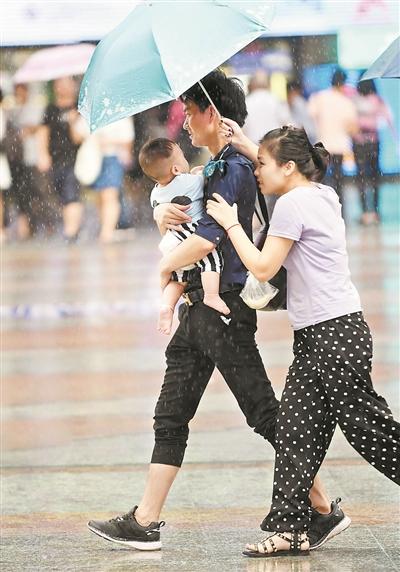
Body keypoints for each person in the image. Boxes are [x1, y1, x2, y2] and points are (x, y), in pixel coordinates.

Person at [87, 70, 347, 553]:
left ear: (212, 113)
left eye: (190, 112)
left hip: (221, 307)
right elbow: (187, 216)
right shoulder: (214, 166)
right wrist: (163, 215)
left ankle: (323, 509)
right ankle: (146, 520)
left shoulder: (232, 168)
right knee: (172, 413)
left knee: (263, 412)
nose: (184, 122)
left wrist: (161, 267)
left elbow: (210, 236)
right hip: (198, 306)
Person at [206, 122, 400, 558]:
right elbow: (286, 168)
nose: (256, 170)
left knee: (369, 429)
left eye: (261, 164)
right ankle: (291, 528)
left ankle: (293, 525)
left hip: (335, 334)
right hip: (323, 333)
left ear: (288, 167)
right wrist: (245, 143)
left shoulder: (293, 204)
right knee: (295, 431)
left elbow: (261, 266)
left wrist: (231, 223)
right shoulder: (320, 193)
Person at [139, 137, 229, 334]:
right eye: (181, 156)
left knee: (179, 280)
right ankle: (212, 295)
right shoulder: (188, 182)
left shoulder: (155, 193)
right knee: (211, 260)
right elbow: (207, 179)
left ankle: (167, 306)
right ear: (176, 169)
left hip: (171, 239)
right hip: (190, 234)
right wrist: (200, 172)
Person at [37, 76, 82, 242]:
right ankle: (70, 228)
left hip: (75, 158)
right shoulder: (51, 108)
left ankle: (71, 232)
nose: (62, 87)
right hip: (55, 158)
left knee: (71, 193)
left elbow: (80, 137)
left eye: (66, 83)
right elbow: (43, 132)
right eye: (59, 84)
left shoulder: (78, 107)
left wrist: (72, 122)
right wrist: (42, 154)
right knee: (60, 193)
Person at [308, 68, 358, 206]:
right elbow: (353, 129)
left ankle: (322, 208)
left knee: (321, 181)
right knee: (338, 181)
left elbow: (310, 117)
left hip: (322, 145)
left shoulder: (319, 97)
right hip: (340, 146)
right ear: (344, 83)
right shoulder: (347, 102)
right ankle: (338, 208)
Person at [353, 78, 395, 225]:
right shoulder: (377, 100)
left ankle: (365, 212)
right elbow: (389, 118)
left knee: (361, 177)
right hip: (374, 143)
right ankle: (376, 212)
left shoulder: (355, 101)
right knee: (375, 176)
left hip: (358, 144)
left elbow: (351, 120)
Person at [7, 83, 43, 239]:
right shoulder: (13, 110)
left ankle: (37, 224)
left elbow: (36, 127)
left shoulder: (33, 107)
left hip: (31, 157)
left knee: (35, 192)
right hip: (16, 159)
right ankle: (25, 226)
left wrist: (24, 131)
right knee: (21, 194)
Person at [243, 70, 291, 144]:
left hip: (252, 144)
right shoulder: (276, 100)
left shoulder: (246, 102)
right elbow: (287, 123)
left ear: (251, 85)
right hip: (274, 144)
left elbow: (243, 127)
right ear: (267, 84)